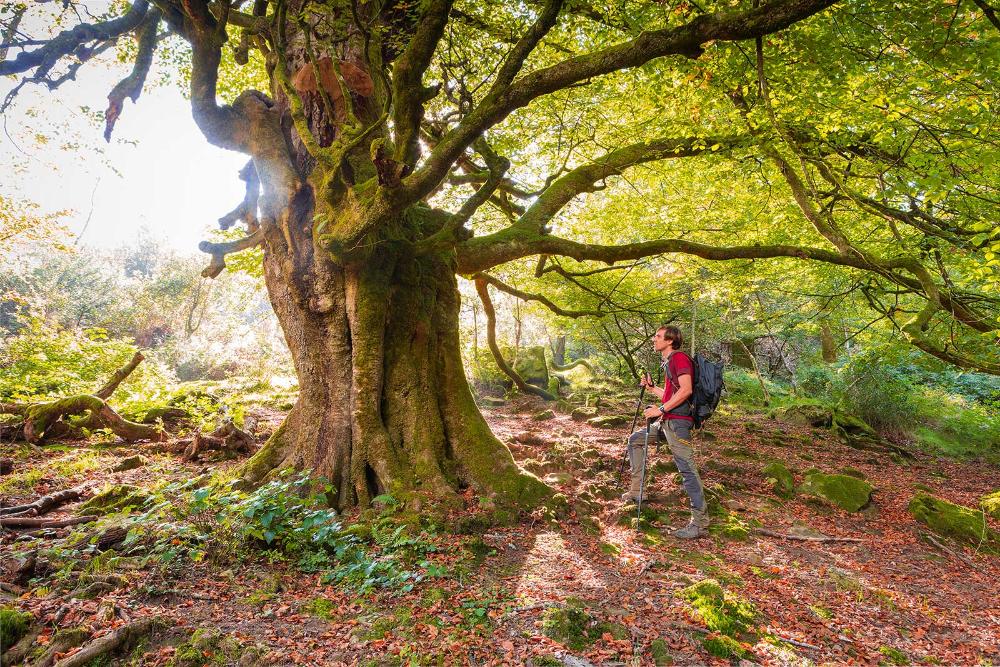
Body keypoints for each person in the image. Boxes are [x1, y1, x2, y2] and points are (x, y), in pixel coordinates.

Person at [623, 325, 710, 539]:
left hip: (678, 424)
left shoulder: (679, 358)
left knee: (687, 470)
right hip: (667, 421)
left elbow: (686, 390)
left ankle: (699, 523)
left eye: (658, 336)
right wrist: (653, 389)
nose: (654, 339)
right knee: (635, 440)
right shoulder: (669, 362)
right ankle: (636, 491)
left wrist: (659, 410)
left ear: (670, 340)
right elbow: (671, 395)